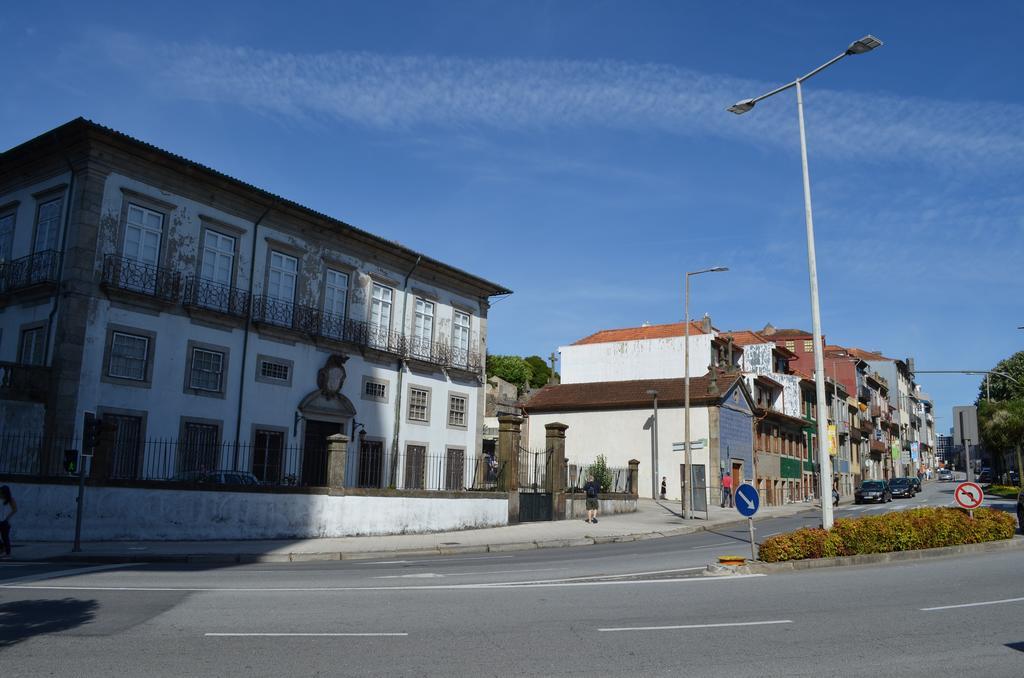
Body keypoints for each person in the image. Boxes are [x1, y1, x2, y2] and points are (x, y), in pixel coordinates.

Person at [0, 485, 16, 558]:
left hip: (4, 522)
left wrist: (7, 517)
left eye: (2, 492)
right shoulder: (0, 499)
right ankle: (2, 548)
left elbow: (14, 509)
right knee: (4, 537)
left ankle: (7, 552)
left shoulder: (10, 500)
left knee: (5, 537)